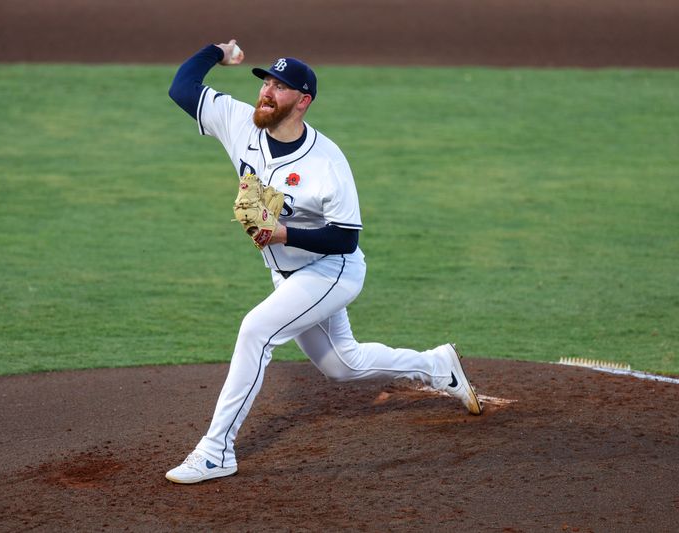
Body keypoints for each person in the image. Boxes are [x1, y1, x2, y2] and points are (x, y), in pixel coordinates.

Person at [165, 39, 482, 484]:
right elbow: (181, 88)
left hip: (332, 272)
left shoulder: (327, 162)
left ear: (303, 101)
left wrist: (282, 233)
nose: (267, 92)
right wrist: (216, 51)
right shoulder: (239, 123)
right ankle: (437, 365)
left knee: (255, 331)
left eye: (280, 86)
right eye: (266, 82)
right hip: (286, 275)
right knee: (341, 365)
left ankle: (216, 451)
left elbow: (346, 240)